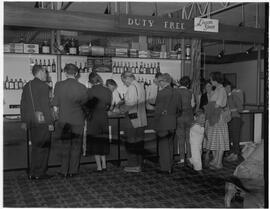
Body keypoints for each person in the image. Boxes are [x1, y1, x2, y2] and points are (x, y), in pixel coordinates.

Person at [52, 63, 88, 178]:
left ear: (65, 72)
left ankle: (64, 171)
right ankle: (73, 171)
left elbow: (55, 106)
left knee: (65, 146)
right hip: (78, 121)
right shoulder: (82, 87)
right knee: (76, 147)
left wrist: (58, 115)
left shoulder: (58, 85)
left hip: (64, 121)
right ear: (76, 74)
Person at [20, 64, 54, 180]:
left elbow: (23, 105)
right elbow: (45, 106)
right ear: (39, 72)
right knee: (43, 147)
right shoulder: (43, 86)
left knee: (35, 147)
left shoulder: (27, 85)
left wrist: (24, 121)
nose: (46, 74)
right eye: (45, 72)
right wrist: (50, 123)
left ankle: (32, 172)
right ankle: (40, 173)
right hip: (42, 122)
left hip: (31, 121)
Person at [120, 71, 147, 173]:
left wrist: (120, 109)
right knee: (139, 141)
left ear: (127, 78)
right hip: (141, 118)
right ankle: (139, 163)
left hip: (132, 119)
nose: (124, 83)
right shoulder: (139, 85)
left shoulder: (132, 87)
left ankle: (133, 165)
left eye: (124, 81)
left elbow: (130, 104)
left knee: (131, 141)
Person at [154, 73, 181, 174]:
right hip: (172, 122)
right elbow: (180, 109)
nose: (159, 83)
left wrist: (156, 121)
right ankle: (170, 166)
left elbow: (158, 110)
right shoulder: (176, 92)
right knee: (170, 145)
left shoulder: (161, 93)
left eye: (160, 81)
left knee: (163, 146)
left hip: (162, 123)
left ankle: (165, 168)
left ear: (164, 81)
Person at [84, 72, 112, 172]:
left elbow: (87, 107)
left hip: (93, 119)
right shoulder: (107, 91)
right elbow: (109, 106)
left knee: (95, 142)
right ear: (99, 79)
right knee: (103, 141)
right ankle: (104, 165)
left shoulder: (89, 91)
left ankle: (99, 166)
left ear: (90, 81)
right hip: (103, 118)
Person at [205, 71, 229, 169]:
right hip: (214, 116)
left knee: (220, 140)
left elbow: (217, 104)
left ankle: (219, 162)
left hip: (218, 117)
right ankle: (216, 160)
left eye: (211, 79)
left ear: (215, 79)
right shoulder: (217, 89)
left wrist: (209, 106)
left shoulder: (221, 90)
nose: (210, 81)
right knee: (215, 140)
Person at [175, 76, 194, 165]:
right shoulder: (190, 93)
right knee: (189, 138)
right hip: (189, 117)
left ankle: (182, 159)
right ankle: (189, 157)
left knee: (181, 139)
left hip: (179, 118)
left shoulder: (175, 92)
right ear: (188, 84)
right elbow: (193, 105)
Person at [224, 80, 244, 162]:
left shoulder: (235, 94)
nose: (226, 89)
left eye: (228, 87)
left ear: (230, 87)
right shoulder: (227, 96)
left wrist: (230, 110)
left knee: (235, 138)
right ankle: (232, 153)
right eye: (225, 87)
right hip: (229, 119)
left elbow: (240, 109)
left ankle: (236, 154)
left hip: (235, 118)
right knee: (229, 137)